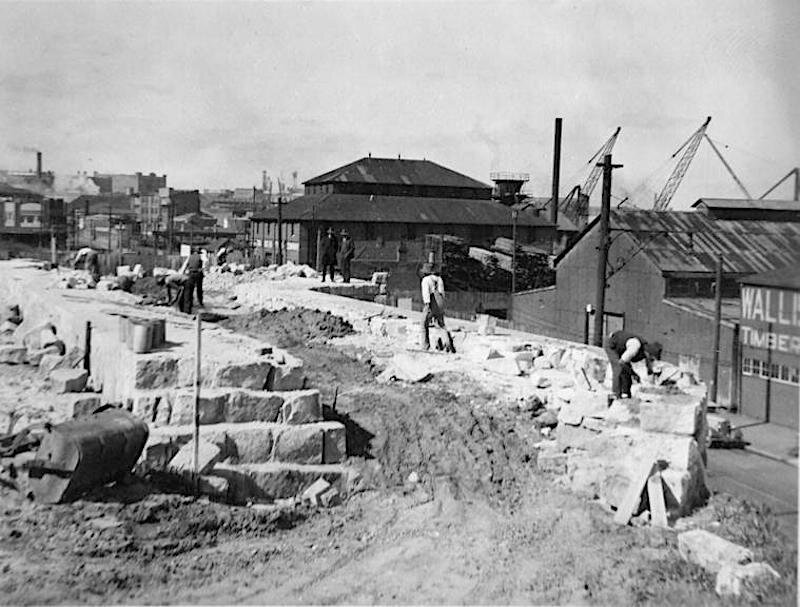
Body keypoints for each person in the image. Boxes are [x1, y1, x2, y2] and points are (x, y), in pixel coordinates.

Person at [604, 330, 663, 399]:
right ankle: (615, 394)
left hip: (623, 349)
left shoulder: (646, 349)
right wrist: (633, 373)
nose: (651, 359)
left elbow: (649, 366)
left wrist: (651, 374)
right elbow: (622, 363)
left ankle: (626, 394)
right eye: (651, 358)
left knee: (626, 370)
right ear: (648, 353)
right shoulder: (635, 347)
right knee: (618, 369)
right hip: (612, 344)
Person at [420, 263, 455, 353]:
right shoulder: (439, 279)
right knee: (441, 324)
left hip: (431, 302)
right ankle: (448, 343)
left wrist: (427, 304)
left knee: (424, 324)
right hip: (440, 302)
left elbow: (426, 293)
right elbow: (442, 293)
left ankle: (425, 346)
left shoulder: (426, 280)